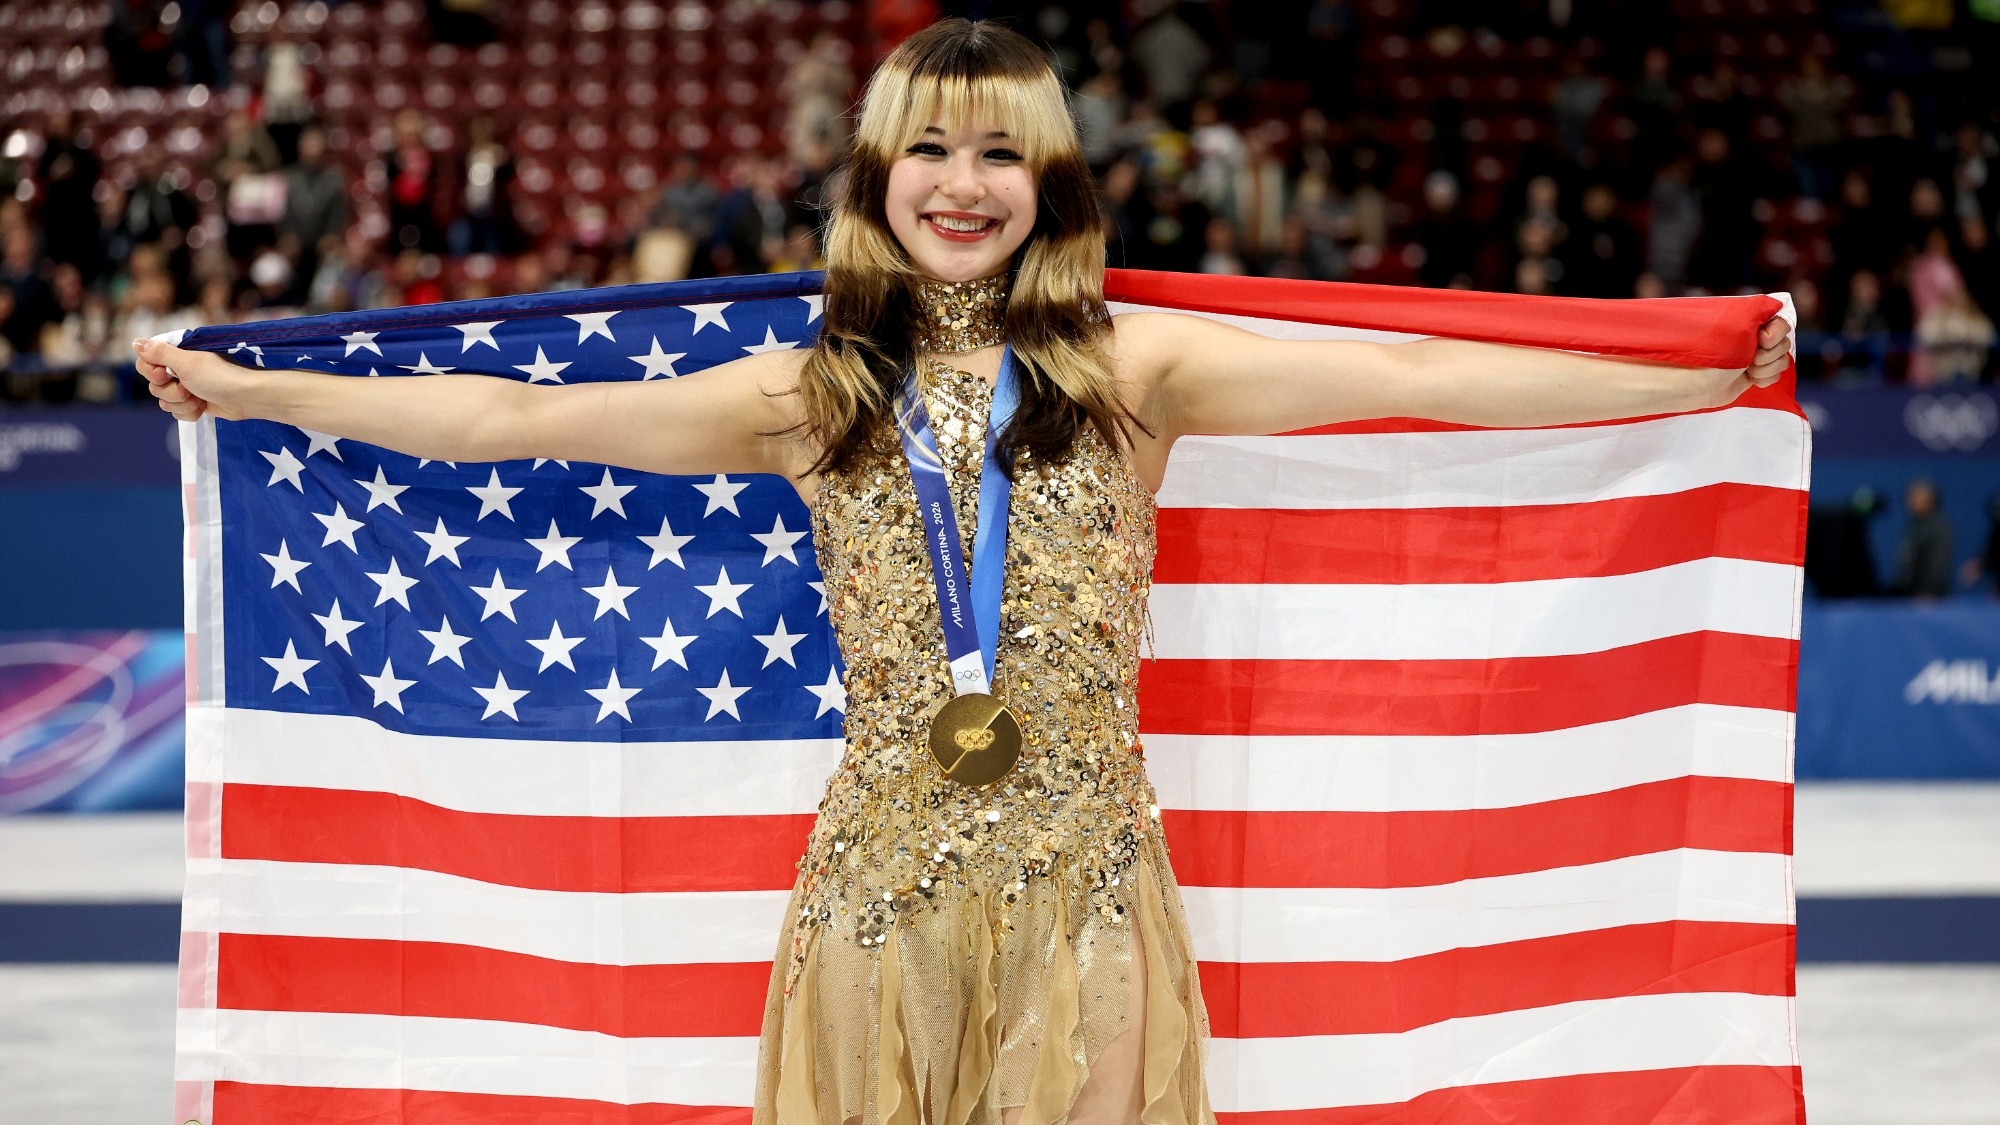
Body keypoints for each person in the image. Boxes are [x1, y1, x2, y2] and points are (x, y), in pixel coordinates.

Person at [130, 20, 1793, 1125]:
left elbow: (1424, 381)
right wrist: (259, 384)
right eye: (931, 151)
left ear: (1049, 182)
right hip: (876, 880)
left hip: (1089, 878)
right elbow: (514, 413)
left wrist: (1692, 372)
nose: (964, 185)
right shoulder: (814, 390)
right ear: (878, 177)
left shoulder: (1134, 368)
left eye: (1001, 154)